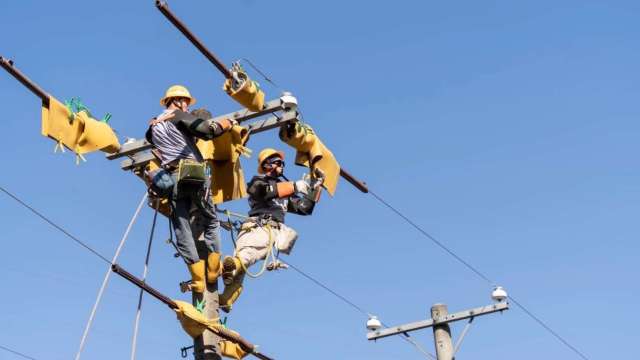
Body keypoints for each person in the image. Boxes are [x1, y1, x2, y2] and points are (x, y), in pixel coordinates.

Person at [145, 85, 236, 293]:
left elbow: (154, 139)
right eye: (185, 101)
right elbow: (207, 131)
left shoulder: (153, 126)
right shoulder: (177, 115)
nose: (187, 106)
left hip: (173, 179)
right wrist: (227, 123)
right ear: (177, 100)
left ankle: (197, 278)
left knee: (182, 229)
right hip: (193, 174)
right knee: (211, 219)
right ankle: (212, 270)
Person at [219, 148, 324, 312]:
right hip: (259, 227)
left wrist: (316, 187)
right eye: (278, 162)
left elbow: (304, 208)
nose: (282, 165)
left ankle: (226, 298)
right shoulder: (258, 181)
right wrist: (295, 186)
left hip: (267, 229)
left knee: (244, 261)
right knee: (245, 257)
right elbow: (262, 192)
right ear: (267, 165)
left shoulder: (282, 192)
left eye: (282, 162)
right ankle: (227, 278)